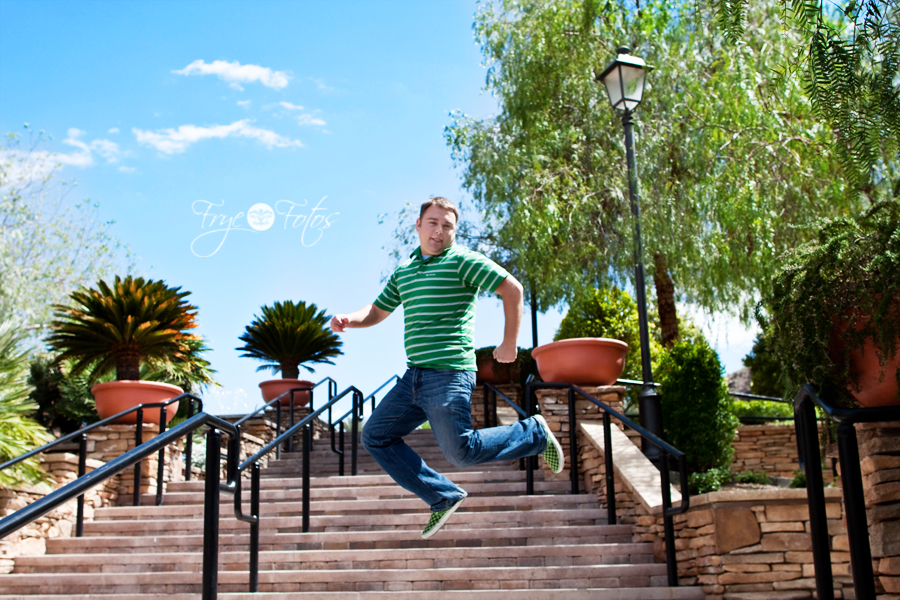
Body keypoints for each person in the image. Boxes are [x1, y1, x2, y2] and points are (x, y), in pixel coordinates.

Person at [331, 196, 564, 539]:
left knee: (461, 453)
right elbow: (378, 310)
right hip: (414, 376)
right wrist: (349, 319)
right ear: (418, 225)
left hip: (450, 373)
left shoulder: (462, 261)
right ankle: (442, 495)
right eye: (433, 223)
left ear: (454, 231)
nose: (439, 231)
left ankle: (534, 434)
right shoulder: (405, 271)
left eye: (447, 226)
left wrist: (509, 342)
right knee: (375, 435)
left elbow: (512, 289)